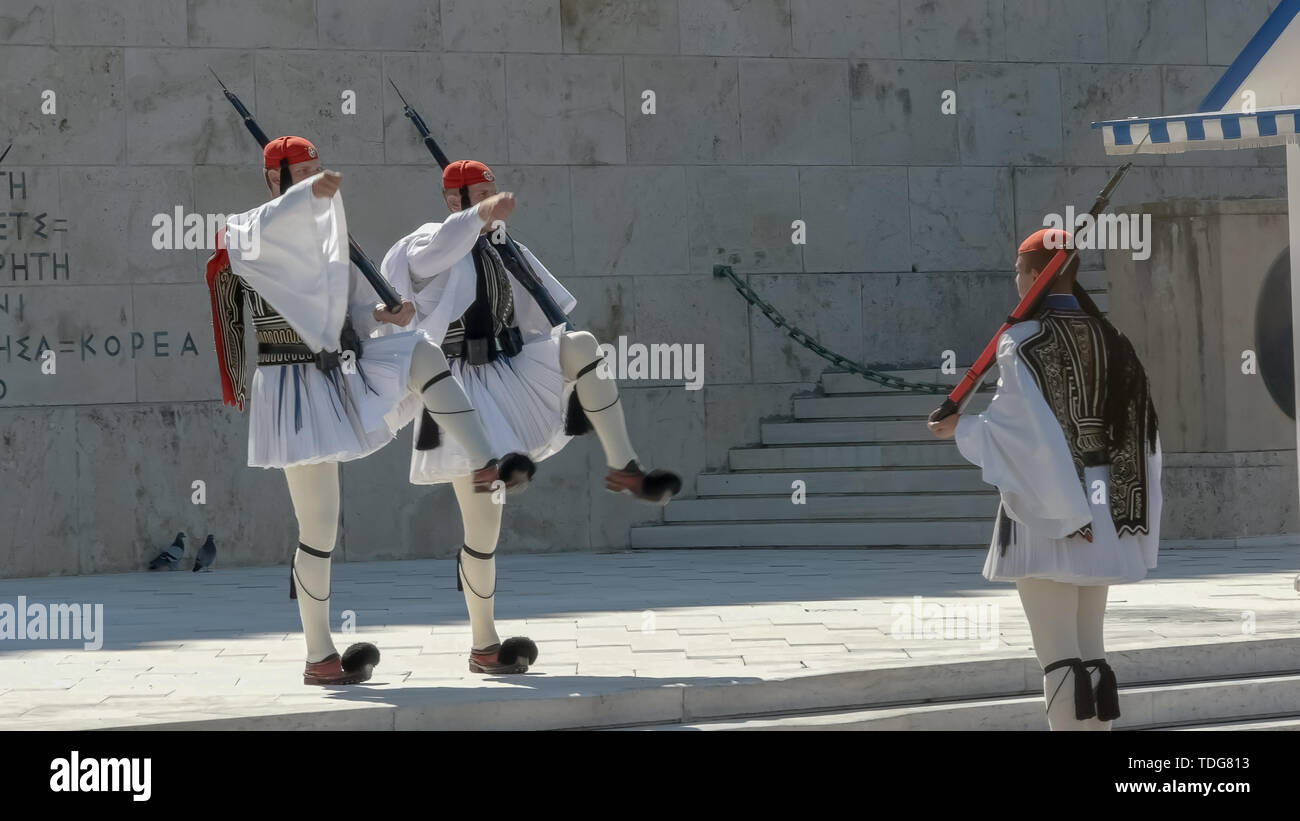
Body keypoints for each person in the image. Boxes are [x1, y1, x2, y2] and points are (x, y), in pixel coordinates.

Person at [206, 136, 533, 685]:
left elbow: (357, 310)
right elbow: (268, 222)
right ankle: (319, 656)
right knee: (319, 529)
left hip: (342, 368)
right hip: (293, 388)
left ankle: (484, 459)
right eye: (302, 173)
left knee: (419, 351)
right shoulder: (249, 232)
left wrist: (388, 312)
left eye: (317, 169)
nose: (316, 180)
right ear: (274, 182)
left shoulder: (332, 236)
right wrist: (308, 193)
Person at [378, 159, 683, 674]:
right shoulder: (427, 241)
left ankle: (624, 467)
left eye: (495, 188)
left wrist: (492, 229)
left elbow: (539, 313)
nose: (496, 197)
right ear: (455, 200)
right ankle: (484, 644)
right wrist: (475, 220)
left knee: (581, 346)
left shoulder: (503, 248)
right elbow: (440, 250)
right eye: (483, 191)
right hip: (461, 388)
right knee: (484, 531)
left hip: (511, 367)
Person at [928, 228, 1162, 730]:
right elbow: (1141, 431)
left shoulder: (1022, 340)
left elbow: (1021, 429)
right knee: (1091, 650)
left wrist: (959, 428)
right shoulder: (1114, 339)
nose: (1016, 279)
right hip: (1107, 507)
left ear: (1035, 276)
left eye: (1018, 271)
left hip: (1048, 506)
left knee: (1057, 653)